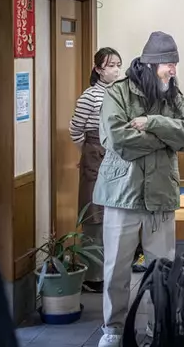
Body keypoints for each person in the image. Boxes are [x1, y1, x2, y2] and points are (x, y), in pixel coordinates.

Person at [94, 31, 184, 347]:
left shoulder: (173, 95)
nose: (174, 70)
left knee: (161, 271)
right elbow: (118, 140)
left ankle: (159, 326)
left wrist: (152, 122)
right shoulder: (118, 94)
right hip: (122, 194)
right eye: (169, 63)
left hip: (161, 195)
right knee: (116, 270)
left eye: (175, 63)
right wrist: (166, 140)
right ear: (152, 64)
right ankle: (113, 329)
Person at [69, 47, 121, 293]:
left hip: (115, 155)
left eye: (117, 65)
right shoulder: (90, 95)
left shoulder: (119, 92)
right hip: (94, 152)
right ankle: (93, 276)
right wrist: (89, 151)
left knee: (112, 213)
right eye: (110, 65)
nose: (115, 69)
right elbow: (75, 129)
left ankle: (109, 271)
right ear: (98, 69)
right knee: (94, 215)